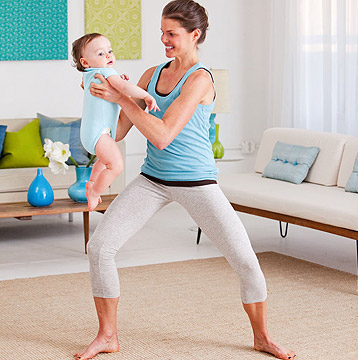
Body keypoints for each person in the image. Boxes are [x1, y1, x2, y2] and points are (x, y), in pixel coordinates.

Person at [75, 1, 296, 359]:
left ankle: (263, 337)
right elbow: (117, 132)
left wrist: (121, 97)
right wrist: (97, 106)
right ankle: (107, 336)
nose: (163, 39)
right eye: (162, 31)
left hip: (198, 183)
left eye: (171, 33)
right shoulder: (151, 73)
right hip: (152, 180)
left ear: (195, 35)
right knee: (100, 248)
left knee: (246, 263)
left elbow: (162, 135)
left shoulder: (200, 79)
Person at [71, 33, 159, 211]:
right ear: (85, 62)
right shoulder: (106, 72)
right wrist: (146, 95)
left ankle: (92, 183)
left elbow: (116, 91)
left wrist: (118, 82)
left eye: (110, 51)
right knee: (116, 165)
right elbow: (126, 89)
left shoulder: (88, 75)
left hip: (91, 134)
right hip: (99, 134)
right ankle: (95, 192)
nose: (109, 56)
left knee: (103, 161)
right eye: (101, 54)